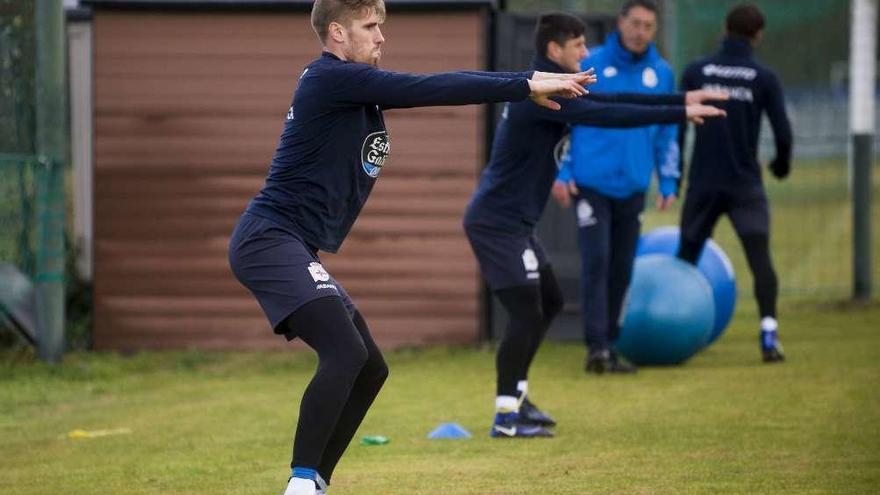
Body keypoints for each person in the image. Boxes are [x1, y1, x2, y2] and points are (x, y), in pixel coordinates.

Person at [227, 1, 593, 494]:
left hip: (292, 244)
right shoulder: (330, 78)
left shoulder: (353, 90)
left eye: (382, 26)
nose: (381, 37)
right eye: (370, 26)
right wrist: (526, 82)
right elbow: (432, 87)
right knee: (343, 351)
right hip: (269, 238)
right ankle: (300, 485)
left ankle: (315, 482)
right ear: (337, 32)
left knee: (370, 367)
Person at [463, 12, 726, 438]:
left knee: (547, 303)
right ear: (554, 51)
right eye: (579, 45)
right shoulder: (542, 93)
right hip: (496, 224)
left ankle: (518, 399)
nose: (587, 53)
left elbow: (614, 102)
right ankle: (506, 417)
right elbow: (609, 114)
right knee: (527, 313)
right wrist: (678, 110)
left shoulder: (554, 85)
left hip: (517, 223)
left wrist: (678, 103)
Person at [551, 0, 679, 375]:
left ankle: (611, 343)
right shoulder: (592, 64)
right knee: (597, 262)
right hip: (592, 184)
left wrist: (668, 178)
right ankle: (596, 348)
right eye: (635, 23)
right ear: (621, 23)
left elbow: (668, 130)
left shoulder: (662, 73)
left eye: (648, 26)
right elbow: (567, 122)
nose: (640, 32)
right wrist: (563, 172)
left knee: (622, 268)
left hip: (634, 185)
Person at [676, 3, 792, 363]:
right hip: (745, 185)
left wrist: (676, 170)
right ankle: (769, 333)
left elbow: (676, 120)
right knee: (760, 259)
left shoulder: (697, 70)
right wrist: (780, 165)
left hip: (704, 182)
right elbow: (783, 132)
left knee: (687, 257)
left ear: (726, 29)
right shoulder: (764, 77)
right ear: (758, 35)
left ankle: (675, 330)